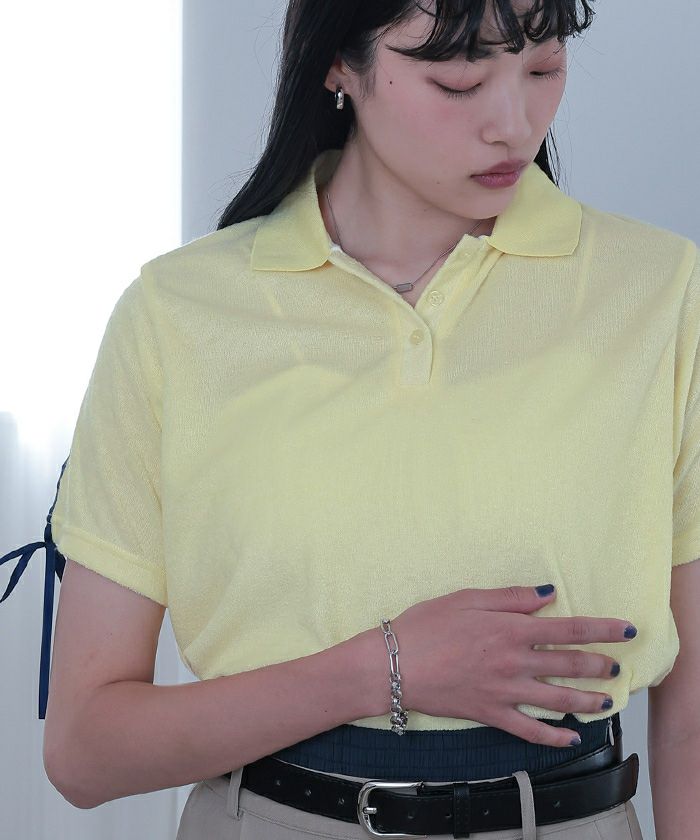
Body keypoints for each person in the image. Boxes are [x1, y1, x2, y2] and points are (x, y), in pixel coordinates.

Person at [23, 0, 699, 838]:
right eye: (459, 81)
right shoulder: (176, 315)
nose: (513, 123)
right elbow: (86, 750)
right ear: (339, 63)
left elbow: (692, 716)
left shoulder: (658, 292)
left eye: (543, 68)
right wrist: (385, 669)